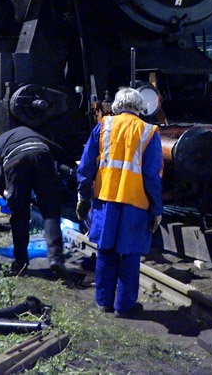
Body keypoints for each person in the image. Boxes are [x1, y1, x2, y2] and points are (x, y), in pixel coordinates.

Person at [75, 87, 163, 318]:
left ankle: (104, 302)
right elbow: (152, 175)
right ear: (140, 107)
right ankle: (124, 307)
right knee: (130, 255)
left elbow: (85, 167)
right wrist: (157, 209)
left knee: (106, 251)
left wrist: (84, 196)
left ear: (116, 105)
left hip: (106, 200)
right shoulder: (149, 132)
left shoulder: (103, 126)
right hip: (135, 202)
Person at [0, 126, 63, 273]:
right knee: (50, 210)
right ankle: (56, 258)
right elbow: (55, 148)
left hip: (15, 161)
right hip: (42, 155)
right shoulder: (27, 131)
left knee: (20, 214)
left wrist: (6, 193)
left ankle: (21, 262)